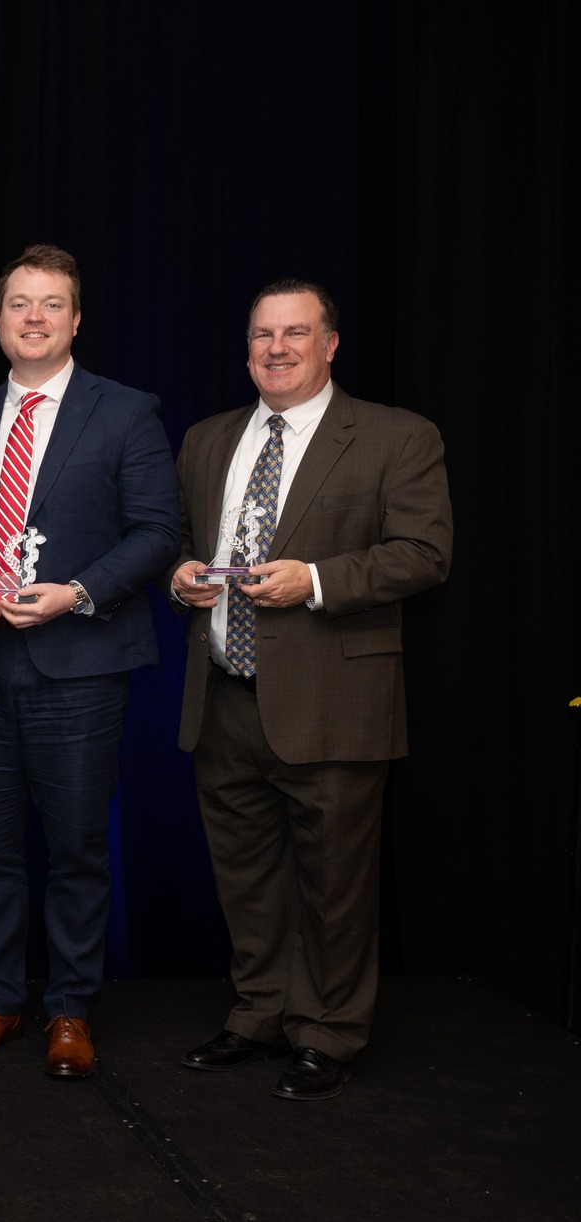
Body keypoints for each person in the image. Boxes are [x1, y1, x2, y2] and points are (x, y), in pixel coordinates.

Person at [170, 280, 450, 1101]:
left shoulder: (397, 437)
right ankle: (259, 1011)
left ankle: (328, 1030)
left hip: (335, 697)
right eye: (262, 334)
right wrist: (177, 573)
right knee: (245, 874)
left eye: (296, 332)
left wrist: (317, 580)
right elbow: (185, 542)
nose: (277, 348)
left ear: (332, 344)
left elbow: (426, 554)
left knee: (335, 880)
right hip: (225, 692)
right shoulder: (207, 439)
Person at [0, 246, 181, 1079]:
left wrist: (76, 591)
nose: (34, 317)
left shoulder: (125, 412)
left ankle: (71, 1006)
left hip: (78, 663)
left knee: (76, 845)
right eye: (18, 303)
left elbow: (156, 532)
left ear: (76, 320)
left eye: (52, 304)